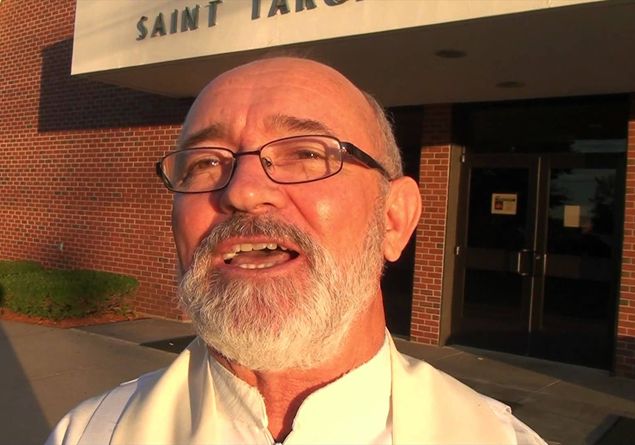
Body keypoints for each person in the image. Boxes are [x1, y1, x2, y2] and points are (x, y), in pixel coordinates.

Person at [46, 57, 546, 445]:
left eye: (306, 152)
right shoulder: (89, 434)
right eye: (205, 163)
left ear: (393, 219)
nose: (243, 191)